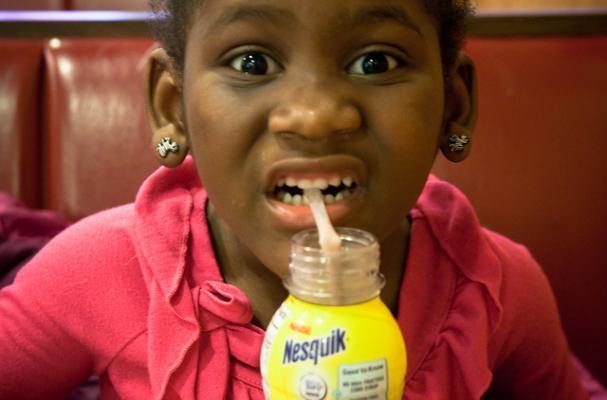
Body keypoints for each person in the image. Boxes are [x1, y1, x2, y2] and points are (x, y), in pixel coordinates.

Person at [0, 0, 591, 399]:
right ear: (172, 105)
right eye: (252, 63)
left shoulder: (494, 289)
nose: (314, 117)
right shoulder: (104, 272)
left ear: (453, 104)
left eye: (375, 61)